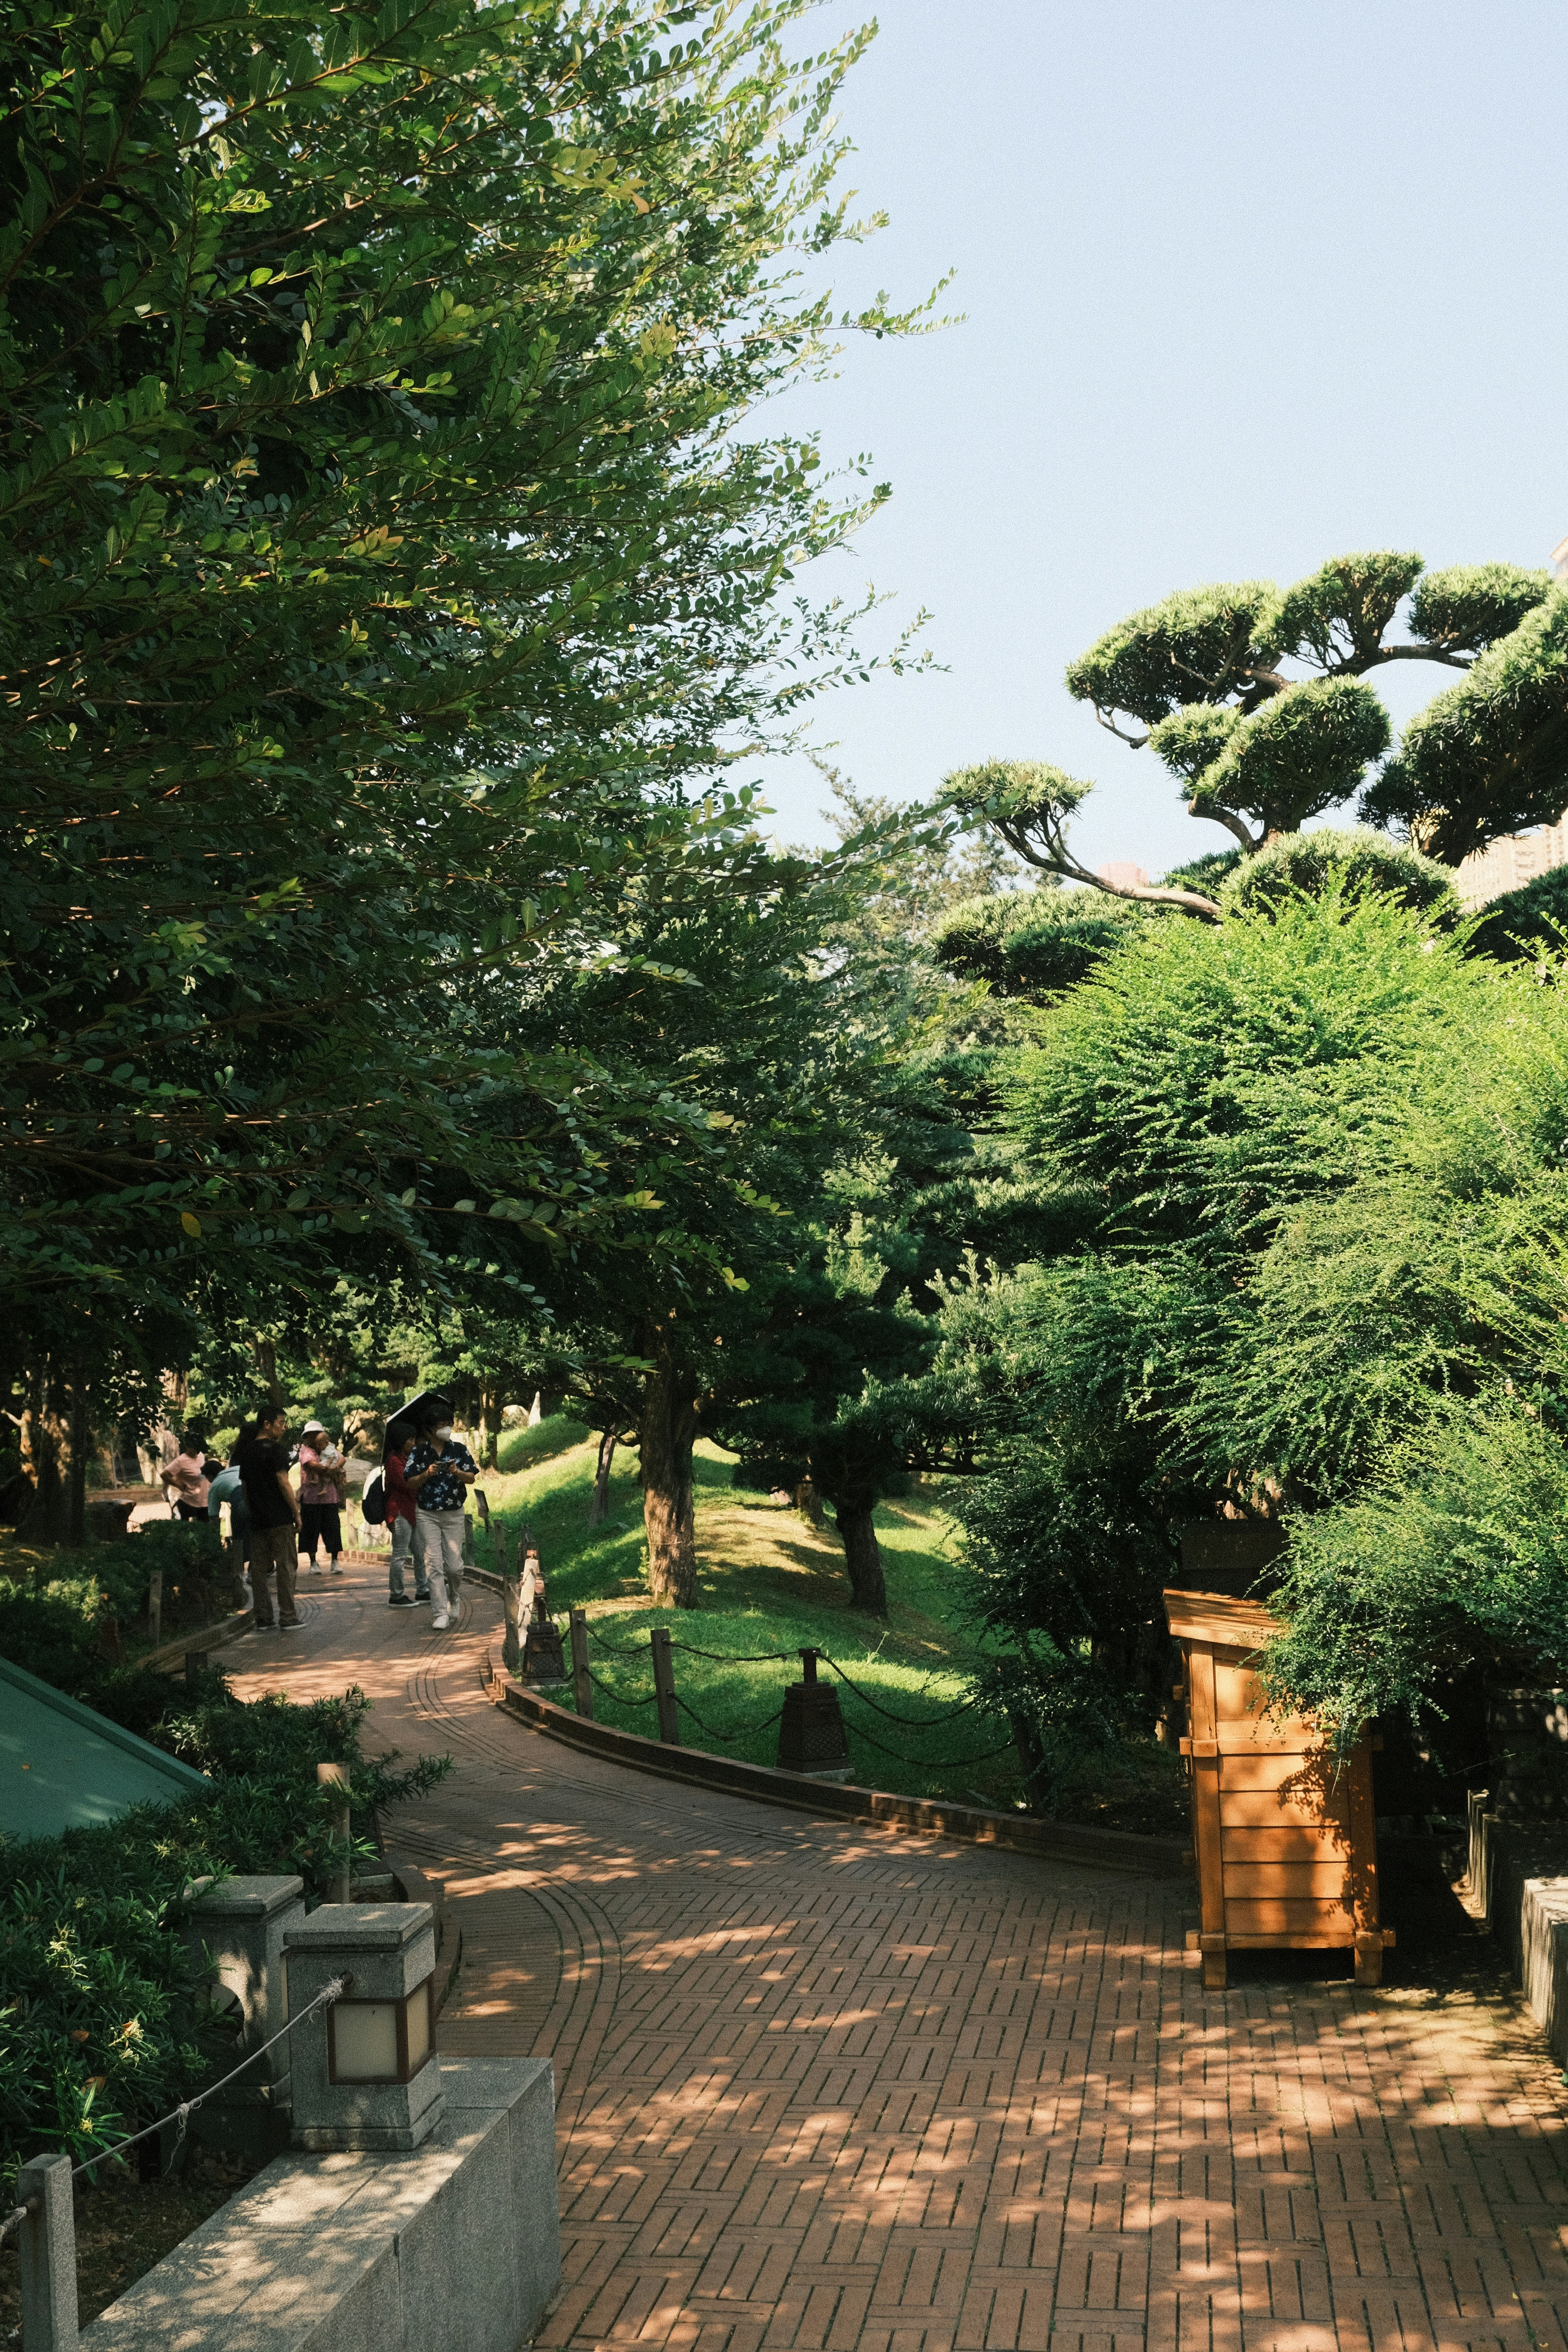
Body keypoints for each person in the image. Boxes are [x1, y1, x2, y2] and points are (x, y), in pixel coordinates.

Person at [405, 1402, 477, 1631]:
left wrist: (457, 1472)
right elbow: (410, 1482)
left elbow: (472, 1478)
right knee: (433, 1563)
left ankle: (454, 1597)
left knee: (455, 1566)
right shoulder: (419, 1452)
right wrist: (427, 1474)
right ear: (429, 1429)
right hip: (427, 1514)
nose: (446, 1428)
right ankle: (440, 1612)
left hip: (454, 1513)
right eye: (440, 1425)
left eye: (448, 1423)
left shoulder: (459, 1450)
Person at [236, 1405, 301, 1629]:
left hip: (257, 1519)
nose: (284, 1428)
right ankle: (289, 1616)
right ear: (267, 1424)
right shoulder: (277, 1450)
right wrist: (296, 1513)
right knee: (285, 1566)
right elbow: (284, 1482)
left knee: (259, 1570)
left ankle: (264, 1618)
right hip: (280, 1518)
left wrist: (252, 1509)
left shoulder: (246, 1451)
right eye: (281, 1423)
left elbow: (244, 1486)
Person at [383, 1418, 426, 1608]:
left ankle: (423, 1590)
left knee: (420, 1553)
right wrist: (424, 1476)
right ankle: (397, 1595)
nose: (414, 1443)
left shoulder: (411, 1459)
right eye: (411, 1440)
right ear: (402, 1441)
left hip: (412, 1510)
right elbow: (408, 1484)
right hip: (399, 1511)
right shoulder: (394, 1461)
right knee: (400, 1554)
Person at [297, 1418, 345, 1574]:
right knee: (311, 1530)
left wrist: (335, 1467)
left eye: (316, 1434)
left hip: (330, 1498)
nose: (314, 1438)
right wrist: (328, 1470)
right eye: (311, 1435)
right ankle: (313, 1562)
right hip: (311, 1498)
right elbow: (310, 1464)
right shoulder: (306, 1451)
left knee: (333, 1529)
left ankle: (335, 1561)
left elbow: (342, 1458)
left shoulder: (329, 1448)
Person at [162, 1430, 211, 1520]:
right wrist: (178, 1485)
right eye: (194, 1449)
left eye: (198, 1450)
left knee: (204, 1529)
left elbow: (200, 1474)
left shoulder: (201, 1456)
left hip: (204, 1502)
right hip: (188, 1503)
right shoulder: (180, 1461)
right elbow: (164, 1475)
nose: (197, 1452)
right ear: (187, 1447)